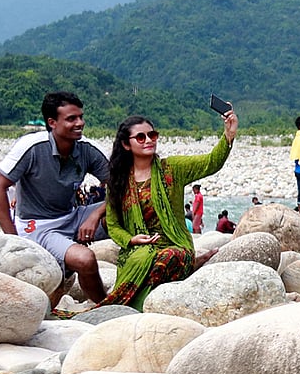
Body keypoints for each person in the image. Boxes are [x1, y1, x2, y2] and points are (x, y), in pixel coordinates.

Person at [100, 110, 236, 310]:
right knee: (140, 261)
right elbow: (113, 225)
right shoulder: (118, 182)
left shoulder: (172, 168)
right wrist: (131, 239)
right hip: (139, 250)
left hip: (175, 245)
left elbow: (210, 162)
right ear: (126, 144)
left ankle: (141, 305)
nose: (148, 140)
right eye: (141, 137)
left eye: (152, 135)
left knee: (169, 258)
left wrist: (228, 135)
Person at [0, 92, 111, 305]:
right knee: (85, 260)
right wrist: (13, 239)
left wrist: (95, 216)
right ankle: (108, 307)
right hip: (39, 226)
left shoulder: (85, 149)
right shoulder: (32, 147)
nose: (80, 123)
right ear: (52, 123)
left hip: (73, 215)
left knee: (134, 207)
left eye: (81, 117)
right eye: (71, 119)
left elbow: (121, 187)